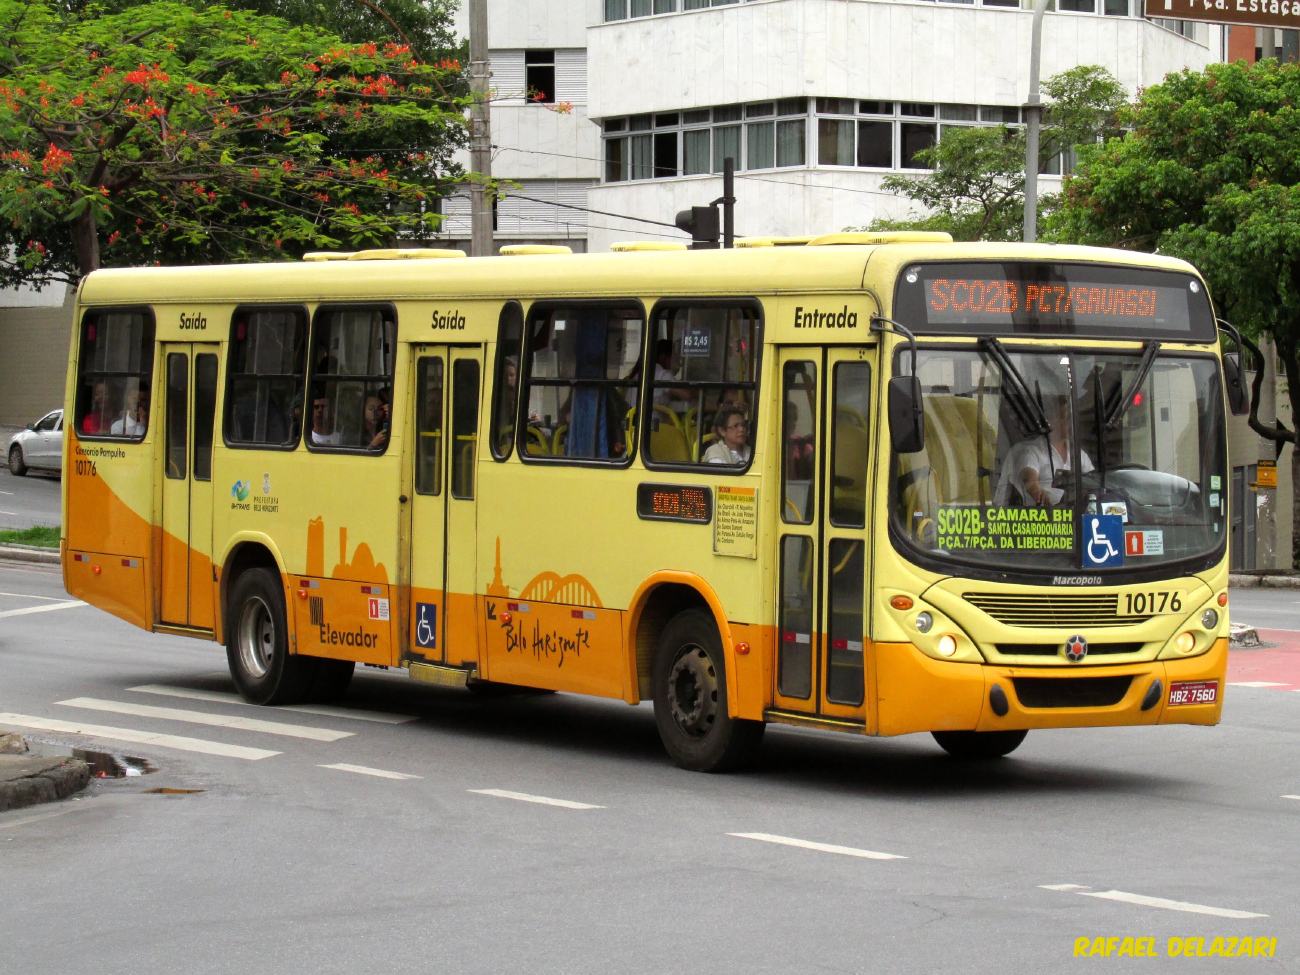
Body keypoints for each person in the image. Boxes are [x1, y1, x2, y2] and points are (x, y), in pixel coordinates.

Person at [993, 396, 1094, 506]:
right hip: (1036, 518)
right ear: (1049, 421)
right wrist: (1038, 493)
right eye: (1063, 417)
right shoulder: (1032, 451)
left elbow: (1094, 481)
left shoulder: (1078, 454)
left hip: (1072, 518)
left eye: (1070, 418)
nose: (1069, 422)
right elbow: (1029, 479)